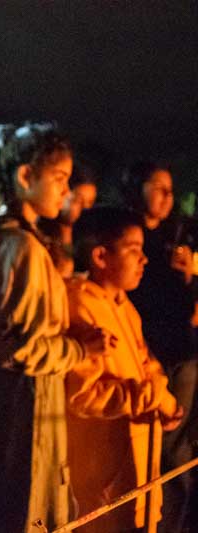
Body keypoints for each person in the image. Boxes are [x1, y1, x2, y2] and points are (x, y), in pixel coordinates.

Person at [0, 123, 110, 532]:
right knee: (25, 510)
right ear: (26, 177)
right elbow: (19, 349)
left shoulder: (13, 239)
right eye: (59, 178)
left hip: (23, 396)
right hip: (23, 401)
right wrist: (80, 349)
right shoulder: (18, 247)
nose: (66, 191)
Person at [66, 206, 183, 532]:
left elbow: (148, 366)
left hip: (142, 462)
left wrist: (165, 401)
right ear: (100, 256)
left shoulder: (124, 306)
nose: (144, 260)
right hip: (105, 472)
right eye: (133, 250)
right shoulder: (80, 304)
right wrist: (148, 396)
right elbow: (82, 395)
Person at [123, 161, 198, 532]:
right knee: (141, 448)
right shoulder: (129, 237)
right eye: (159, 187)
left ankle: (175, 520)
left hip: (178, 355)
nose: (168, 196)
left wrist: (187, 278)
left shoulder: (177, 235)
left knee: (173, 444)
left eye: (172, 189)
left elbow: (183, 304)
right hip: (139, 356)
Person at [37, 164, 98, 277]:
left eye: (90, 202)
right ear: (62, 193)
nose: (85, 208)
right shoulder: (41, 237)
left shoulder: (88, 239)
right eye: (77, 200)